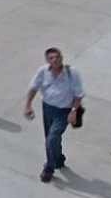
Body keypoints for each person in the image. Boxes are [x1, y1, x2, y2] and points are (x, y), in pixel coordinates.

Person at [23, 47, 85, 183]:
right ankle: (58, 158)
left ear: (62, 58)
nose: (54, 60)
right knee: (51, 139)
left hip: (63, 112)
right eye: (51, 58)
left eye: (57, 57)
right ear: (47, 60)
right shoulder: (43, 71)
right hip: (48, 108)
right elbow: (33, 87)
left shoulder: (71, 73)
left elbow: (78, 94)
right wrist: (28, 105)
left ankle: (49, 168)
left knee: (51, 139)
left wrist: (73, 111)